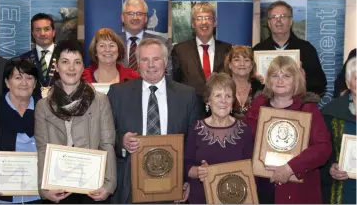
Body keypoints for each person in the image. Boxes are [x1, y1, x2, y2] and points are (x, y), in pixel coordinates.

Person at [107, 38, 201, 204]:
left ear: (165, 62)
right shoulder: (118, 93)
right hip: (130, 187)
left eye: (156, 59)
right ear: (137, 64)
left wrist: (187, 180)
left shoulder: (187, 95)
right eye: (145, 60)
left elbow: (194, 144)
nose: (151, 65)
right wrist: (122, 142)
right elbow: (106, 136)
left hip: (171, 188)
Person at [34, 39, 116, 203]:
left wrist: (108, 185)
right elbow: (42, 149)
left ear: (83, 67)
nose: (71, 68)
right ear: (56, 67)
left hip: (93, 187)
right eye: (65, 62)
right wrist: (44, 189)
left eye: (77, 62)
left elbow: (107, 144)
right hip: (57, 187)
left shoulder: (100, 101)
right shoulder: (43, 105)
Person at [244, 56, 331, 203]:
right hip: (262, 186)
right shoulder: (257, 107)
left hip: (297, 189)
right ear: (268, 80)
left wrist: (290, 168)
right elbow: (244, 141)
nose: (280, 80)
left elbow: (323, 148)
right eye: (275, 75)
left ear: (296, 80)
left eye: (286, 76)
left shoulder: (308, 109)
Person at [183, 73, 254, 204]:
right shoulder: (195, 129)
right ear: (208, 100)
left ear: (233, 101)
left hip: (236, 200)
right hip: (201, 198)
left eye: (228, 96)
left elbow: (251, 170)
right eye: (218, 95)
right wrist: (199, 172)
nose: (223, 101)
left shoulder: (245, 130)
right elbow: (186, 166)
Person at [253, 0, 326, 96]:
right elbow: (249, 86)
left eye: (283, 16)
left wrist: (302, 79)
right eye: (274, 17)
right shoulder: (258, 50)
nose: (278, 21)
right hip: (266, 105)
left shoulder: (306, 49)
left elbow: (320, 84)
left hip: (298, 106)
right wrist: (255, 79)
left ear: (291, 21)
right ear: (269, 23)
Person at [0, 58, 44, 203]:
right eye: (18, 77)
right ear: (7, 82)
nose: (24, 83)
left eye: (29, 78)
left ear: (35, 83)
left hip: (41, 195)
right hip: (3, 195)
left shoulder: (46, 111)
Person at [171, 2, 232, 111]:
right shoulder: (179, 50)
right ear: (193, 24)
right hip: (189, 110)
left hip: (221, 110)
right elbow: (175, 83)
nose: (204, 22)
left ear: (215, 23)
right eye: (199, 18)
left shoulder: (227, 49)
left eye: (208, 18)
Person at [321, 56, 356, 204]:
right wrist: (331, 167)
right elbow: (322, 151)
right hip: (344, 188)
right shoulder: (330, 112)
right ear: (348, 83)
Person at [120, 0, 171, 76]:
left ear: (146, 18)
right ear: (123, 17)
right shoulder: (112, 42)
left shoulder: (161, 42)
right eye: (130, 13)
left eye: (139, 13)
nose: (135, 17)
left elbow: (168, 74)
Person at [222, 45, 264, 119]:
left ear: (251, 66)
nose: (242, 64)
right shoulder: (221, 88)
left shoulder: (261, 89)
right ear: (229, 65)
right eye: (237, 60)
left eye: (246, 60)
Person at [19, 13, 58, 88]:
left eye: (46, 29)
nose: (42, 33)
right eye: (38, 30)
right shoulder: (23, 59)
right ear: (33, 34)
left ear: (53, 32)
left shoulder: (64, 57)